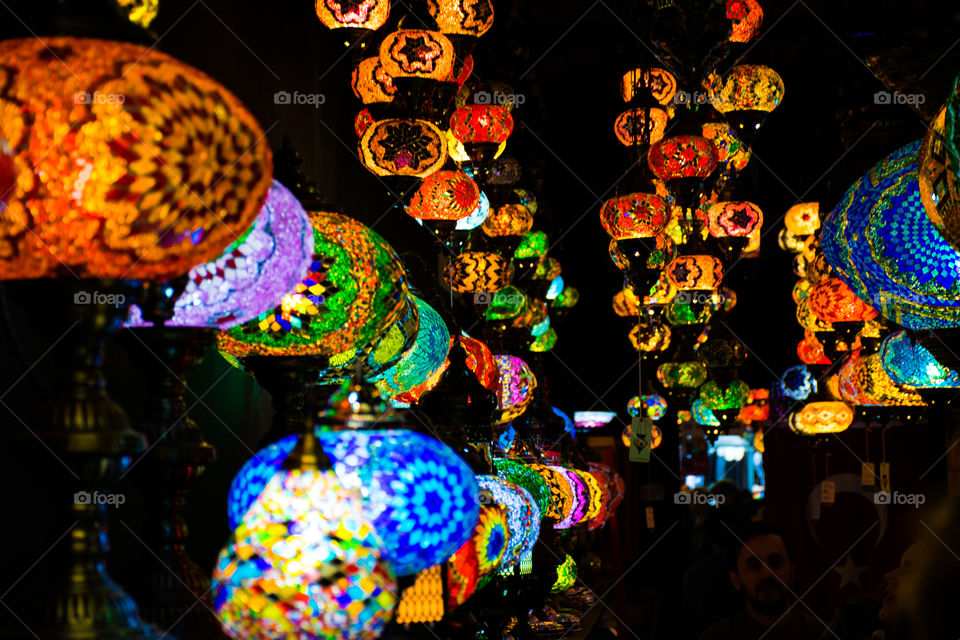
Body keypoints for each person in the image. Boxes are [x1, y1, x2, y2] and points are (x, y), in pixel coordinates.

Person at [698, 521, 823, 640]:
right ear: (736, 580)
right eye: (754, 565)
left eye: (775, 563)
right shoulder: (714, 637)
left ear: (792, 572)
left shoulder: (821, 634)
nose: (767, 574)